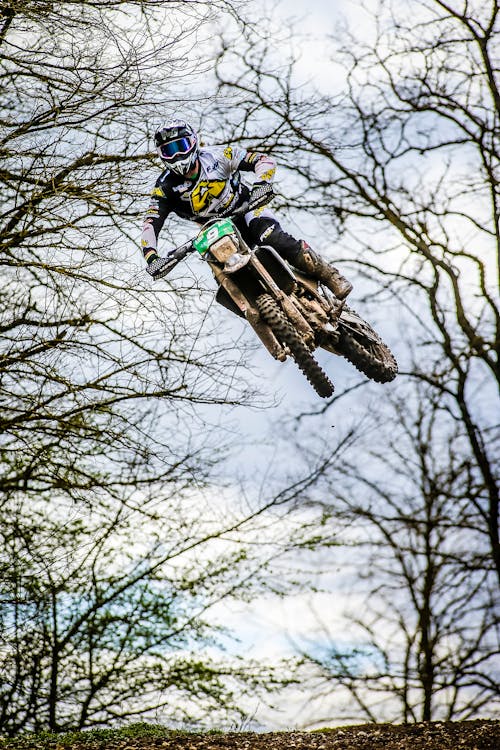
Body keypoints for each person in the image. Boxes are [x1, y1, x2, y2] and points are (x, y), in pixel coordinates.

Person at [142, 119, 352, 299]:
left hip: (247, 208)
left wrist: (262, 183)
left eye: (181, 146)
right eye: (169, 150)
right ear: (161, 155)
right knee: (226, 278)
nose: (177, 155)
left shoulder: (219, 156)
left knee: (272, 238)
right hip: (214, 231)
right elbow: (151, 222)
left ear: (194, 142)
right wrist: (152, 257)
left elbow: (262, 160)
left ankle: (329, 275)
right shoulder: (165, 188)